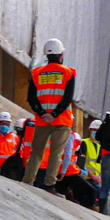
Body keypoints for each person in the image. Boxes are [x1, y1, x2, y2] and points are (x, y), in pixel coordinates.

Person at [23, 38, 76, 189]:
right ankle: (49, 184)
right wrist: (55, 114)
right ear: (61, 55)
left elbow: (31, 98)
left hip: (41, 120)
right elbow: (67, 98)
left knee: (36, 152)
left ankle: (27, 181)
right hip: (62, 120)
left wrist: (42, 113)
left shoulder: (36, 73)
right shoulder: (68, 72)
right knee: (56, 153)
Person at [54, 131, 97, 207]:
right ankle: (92, 207)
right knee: (91, 191)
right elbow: (69, 160)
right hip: (68, 173)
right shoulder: (71, 144)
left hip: (65, 173)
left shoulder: (76, 152)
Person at [82, 120, 103, 206]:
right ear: (90, 130)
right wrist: (93, 176)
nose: (95, 132)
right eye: (93, 130)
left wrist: (100, 179)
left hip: (97, 180)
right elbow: (81, 162)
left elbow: (100, 165)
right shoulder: (84, 143)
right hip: (86, 177)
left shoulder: (100, 147)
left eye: (97, 130)